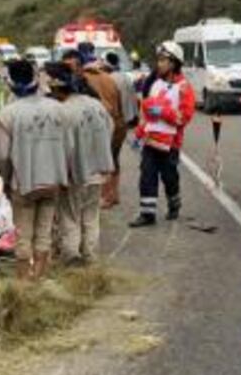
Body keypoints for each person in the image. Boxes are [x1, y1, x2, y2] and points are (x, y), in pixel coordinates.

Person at [0, 60, 68, 280]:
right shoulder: (57, 109)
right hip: (53, 181)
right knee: (44, 233)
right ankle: (40, 278)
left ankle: (23, 283)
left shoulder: (7, 114)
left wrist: (7, 182)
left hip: (24, 183)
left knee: (24, 235)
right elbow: (68, 146)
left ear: (11, 82)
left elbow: (3, 156)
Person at [47, 62, 115, 265]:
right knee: (91, 216)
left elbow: (62, 147)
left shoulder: (63, 111)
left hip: (75, 172)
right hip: (99, 170)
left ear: (58, 89)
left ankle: (71, 257)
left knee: (70, 216)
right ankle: (90, 256)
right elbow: (109, 129)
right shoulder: (97, 105)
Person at [128, 41, 197, 228]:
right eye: (158, 60)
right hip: (151, 141)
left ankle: (174, 203)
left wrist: (163, 111)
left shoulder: (184, 88)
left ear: (174, 63)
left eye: (163, 60)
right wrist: (139, 133)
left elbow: (183, 118)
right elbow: (147, 113)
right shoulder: (156, 84)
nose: (159, 64)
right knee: (147, 175)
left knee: (169, 177)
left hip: (171, 144)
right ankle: (147, 214)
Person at [64, 44, 126, 208]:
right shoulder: (109, 78)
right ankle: (113, 195)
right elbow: (120, 107)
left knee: (92, 166)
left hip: (93, 126)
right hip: (114, 124)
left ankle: (103, 197)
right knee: (111, 160)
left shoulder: (81, 81)